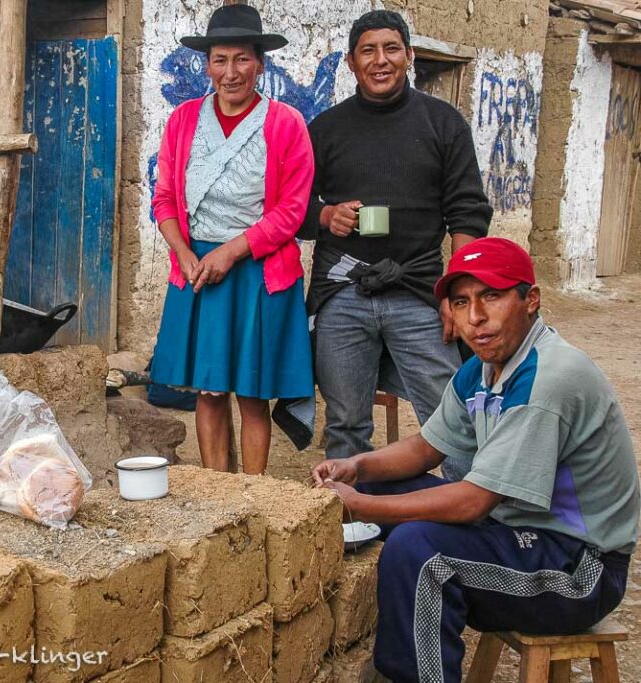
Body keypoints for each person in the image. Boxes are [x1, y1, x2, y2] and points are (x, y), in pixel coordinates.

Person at [312, 237, 640, 683]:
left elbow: (473, 502)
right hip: (517, 530)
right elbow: (427, 448)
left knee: (420, 552)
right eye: (462, 302)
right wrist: (358, 469)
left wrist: (363, 508)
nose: (476, 318)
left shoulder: (548, 378)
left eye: (492, 296)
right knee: (375, 486)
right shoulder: (483, 368)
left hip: (579, 567)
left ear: (531, 300)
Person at [301, 10, 493, 466]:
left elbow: (467, 210)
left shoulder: (443, 123)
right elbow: (291, 208)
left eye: (391, 49)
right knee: (346, 419)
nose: (380, 60)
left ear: (409, 56)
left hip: (420, 291)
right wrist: (327, 216)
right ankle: (353, 516)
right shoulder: (326, 128)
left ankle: (464, 516)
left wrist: (459, 296)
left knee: (450, 413)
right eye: (368, 50)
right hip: (343, 290)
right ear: (351, 62)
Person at [150, 5, 315, 475]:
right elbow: (163, 200)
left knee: (252, 392)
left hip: (257, 271)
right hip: (197, 269)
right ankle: (217, 493)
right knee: (208, 389)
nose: (230, 72)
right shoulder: (183, 120)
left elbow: (291, 211)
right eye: (220, 60)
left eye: (241, 59)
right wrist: (183, 253)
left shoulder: (285, 124)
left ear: (261, 63)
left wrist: (232, 250)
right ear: (207, 65)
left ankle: (253, 494)